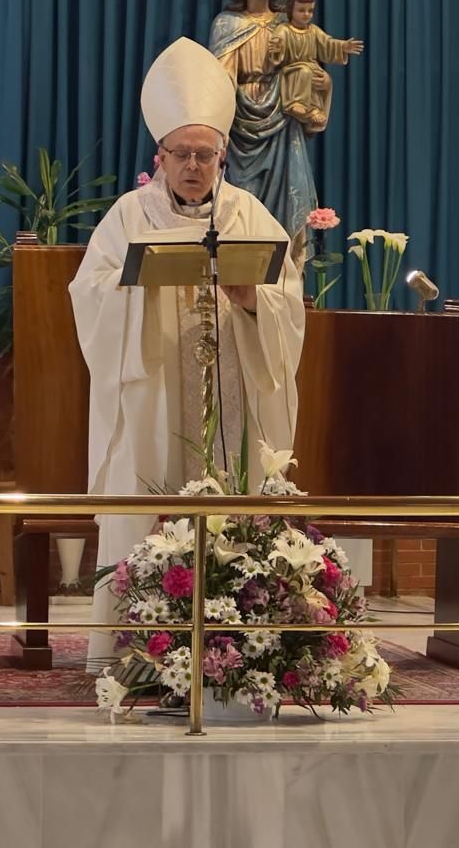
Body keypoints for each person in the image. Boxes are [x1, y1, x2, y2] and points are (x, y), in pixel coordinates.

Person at [69, 37, 305, 666]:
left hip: (231, 401)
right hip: (152, 399)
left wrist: (252, 300)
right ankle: (133, 659)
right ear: (160, 156)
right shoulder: (127, 216)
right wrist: (139, 290)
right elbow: (88, 296)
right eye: (183, 154)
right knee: (146, 499)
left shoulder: (249, 214)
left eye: (206, 154)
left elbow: (288, 299)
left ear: (223, 156)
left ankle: (239, 656)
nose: (195, 166)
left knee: (232, 508)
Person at [208, 0, 317, 261]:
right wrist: (220, 121)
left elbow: (304, 69)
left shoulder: (287, 22)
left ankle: (285, 283)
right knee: (241, 207)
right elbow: (222, 77)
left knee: (286, 202)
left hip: (282, 119)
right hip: (239, 123)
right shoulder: (227, 24)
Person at [270, 0, 364, 133]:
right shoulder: (284, 29)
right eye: (301, 10)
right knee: (305, 71)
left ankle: (313, 109)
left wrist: (342, 46)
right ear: (291, 10)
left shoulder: (313, 31)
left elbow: (327, 44)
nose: (306, 14)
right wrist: (278, 49)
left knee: (316, 75)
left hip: (309, 70)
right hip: (291, 72)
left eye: (310, 10)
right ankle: (295, 103)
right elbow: (278, 47)